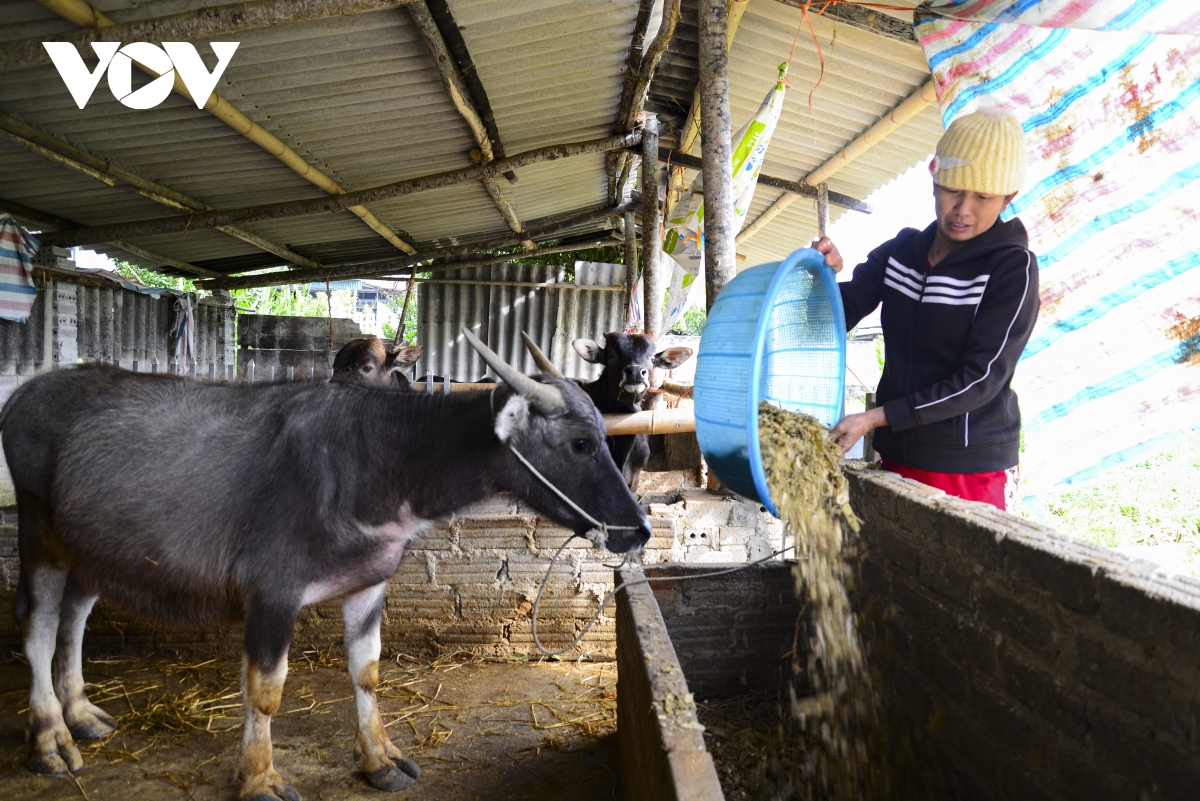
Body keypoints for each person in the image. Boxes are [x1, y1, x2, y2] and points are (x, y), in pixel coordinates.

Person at [812, 106, 1040, 511]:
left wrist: (875, 418)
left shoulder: (1011, 269)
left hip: (967, 466)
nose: (962, 209)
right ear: (934, 178)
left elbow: (980, 379)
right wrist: (823, 278)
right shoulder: (902, 252)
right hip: (898, 453)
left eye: (983, 197)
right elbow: (834, 319)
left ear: (1009, 198)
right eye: (952, 189)